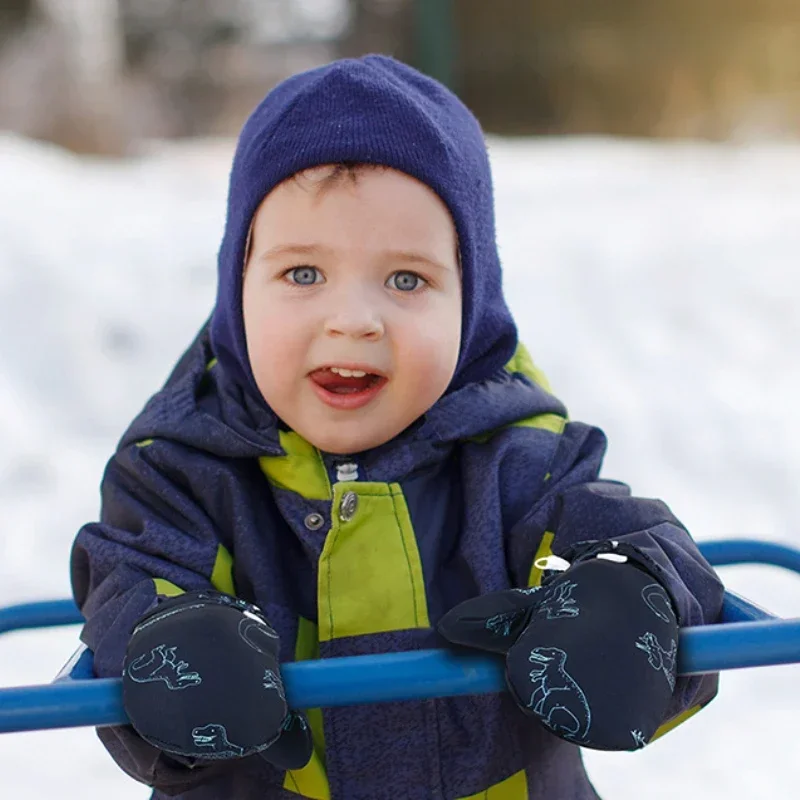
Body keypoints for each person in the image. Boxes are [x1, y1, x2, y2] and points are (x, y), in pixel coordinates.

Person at [70, 55, 724, 800]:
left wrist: (632, 597)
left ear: (471, 304)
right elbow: (128, 585)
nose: (352, 320)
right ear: (236, 290)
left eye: (406, 279)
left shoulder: (521, 459)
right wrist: (170, 648)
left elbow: (643, 546)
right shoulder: (180, 474)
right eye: (303, 274)